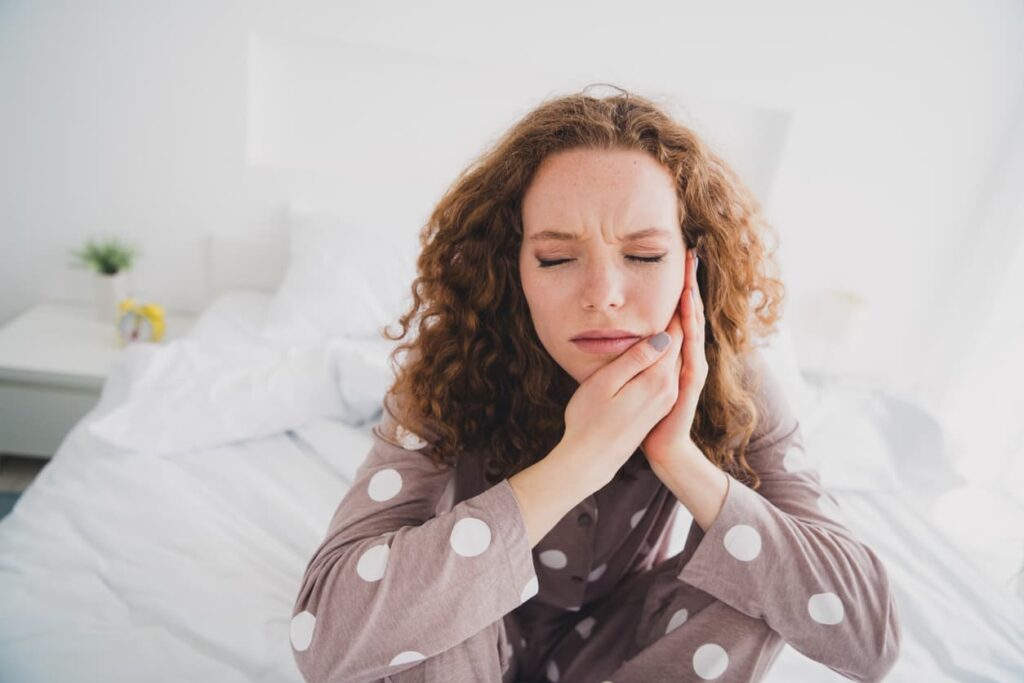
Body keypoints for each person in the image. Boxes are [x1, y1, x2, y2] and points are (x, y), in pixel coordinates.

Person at [289, 85, 901, 683]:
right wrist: (582, 459)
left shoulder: (732, 380)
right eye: (557, 258)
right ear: (513, 266)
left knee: (764, 563)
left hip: (623, 641)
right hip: (471, 645)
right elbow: (325, 643)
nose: (603, 295)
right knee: (427, 595)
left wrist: (676, 456)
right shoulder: (451, 364)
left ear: (692, 264)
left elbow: (870, 642)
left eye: (644, 256)